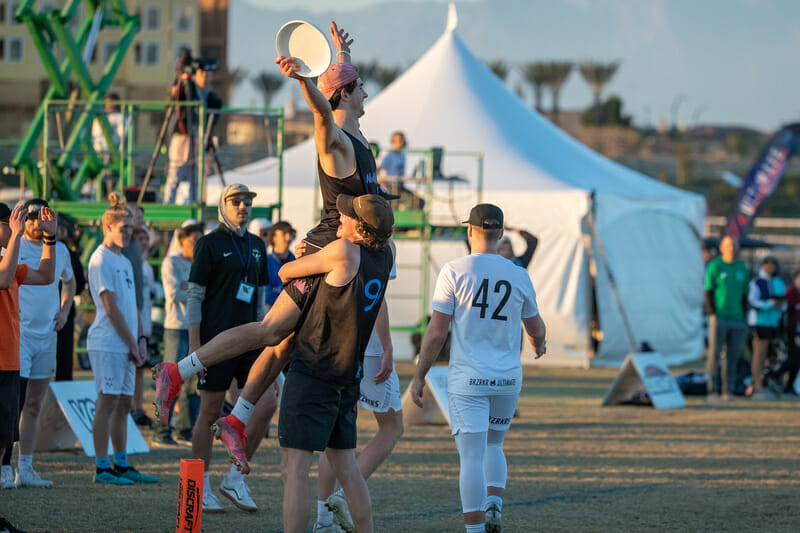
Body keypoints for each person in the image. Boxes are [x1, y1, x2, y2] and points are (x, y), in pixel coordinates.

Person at [153, 193, 395, 533]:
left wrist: (311, 255)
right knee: (347, 466)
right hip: (347, 377)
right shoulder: (385, 255)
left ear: (360, 227)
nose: (340, 219)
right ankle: (234, 415)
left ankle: (186, 375)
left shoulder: (342, 252)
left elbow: (285, 271)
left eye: (346, 217)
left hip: (314, 370)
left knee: (295, 468)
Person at [410, 203, 546, 533]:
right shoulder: (518, 272)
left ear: (470, 231)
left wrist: (419, 374)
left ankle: (474, 529)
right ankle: (494, 504)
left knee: (471, 456)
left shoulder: (455, 270)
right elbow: (537, 328)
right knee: (494, 445)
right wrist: (538, 345)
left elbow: (437, 331)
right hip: (507, 379)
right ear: (500, 233)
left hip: (468, 379)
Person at [185, 183, 274, 513]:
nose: (243, 207)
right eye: (236, 201)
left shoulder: (256, 245)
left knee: (266, 404)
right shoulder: (208, 244)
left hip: (251, 341)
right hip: (215, 342)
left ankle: (234, 480)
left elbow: (262, 300)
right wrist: (196, 349)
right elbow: (194, 296)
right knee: (208, 413)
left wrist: (266, 338)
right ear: (222, 204)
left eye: (248, 201)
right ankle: (200, 485)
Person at [86, 194, 157, 485]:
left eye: (130, 227)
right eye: (122, 227)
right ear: (107, 228)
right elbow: (111, 308)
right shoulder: (100, 259)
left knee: (125, 403)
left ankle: (122, 462)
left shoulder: (126, 260)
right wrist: (130, 341)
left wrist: (140, 340)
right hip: (108, 342)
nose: (128, 232)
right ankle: (102, 467)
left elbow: (134, 307)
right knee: (108, 401)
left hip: (127, 342)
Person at [13, 199, 75, 488]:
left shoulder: (59, 250)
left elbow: (69, 282)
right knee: (13, 403)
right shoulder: (13, 246)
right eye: (32, 216)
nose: (37, 222)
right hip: (18, 335)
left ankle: (25, 468)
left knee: (35, 404)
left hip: (47, 335)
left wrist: (63, 312)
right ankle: (5, 467)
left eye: (43, 215)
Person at [0, 203, 56, 490]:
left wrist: (49, 239)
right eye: (6, 223)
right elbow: (3, 278)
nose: (11, 227)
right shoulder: (5, 260)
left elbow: (46, 276)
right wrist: (17, 236)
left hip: (9, 360)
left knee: (4, 436)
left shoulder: (7, 257)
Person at [157, 221, 204, 445]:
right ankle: (162, 432)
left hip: (196, 329)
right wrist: (196, 291)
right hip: (176, 328)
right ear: (182, 240)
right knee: (170, 381)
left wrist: (190, 289)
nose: (196, 245)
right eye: (194, 240)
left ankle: (185, 429)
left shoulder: (202, 263)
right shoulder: (170, 262)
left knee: (194, 382)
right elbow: (173, 293)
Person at [165, 52, 222, 205]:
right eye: (202, 72)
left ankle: (194, 205)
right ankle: (168, 204)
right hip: (183, 136)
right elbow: (173, 98)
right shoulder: (186, 89)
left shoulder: (213, 98)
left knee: (196, 177)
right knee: (175, 174)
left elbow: (214, 117)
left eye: (209, 73)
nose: (205, 76)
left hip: (200, 139)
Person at [704, 236, 750, 400]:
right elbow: (708, 292)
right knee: (714, 355)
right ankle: (712, 391)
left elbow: (746, 295)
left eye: (734, 245)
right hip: (719, 317)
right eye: (728, 245)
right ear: (722, 248)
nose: (731, 248)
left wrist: (744, 316)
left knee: (733, 357)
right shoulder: (715, 266)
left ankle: (728, 391)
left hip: (737, 319)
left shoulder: (742, 268)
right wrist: (713, 314)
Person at [747, 255, 786, 400]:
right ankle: (756, 386)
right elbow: (752, 302)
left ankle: (765, 383)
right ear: (764, 265)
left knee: (770, 354)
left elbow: (782, 301)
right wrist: (769, 304)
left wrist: (780, 305)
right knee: (759, 353)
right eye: (769, 265)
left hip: (773, 322)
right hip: (759, 322)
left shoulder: (777, 282)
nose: (772, 268)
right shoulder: (757, 282)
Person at [55, 215, 86, 381]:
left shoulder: (68, 253)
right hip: (42, 313)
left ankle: (63, 391)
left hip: (65, 313)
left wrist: (66, 298)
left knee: (64, 356)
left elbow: (79, 284)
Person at [778, 269, 800, 397]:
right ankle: (772, 376)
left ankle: (790, 386)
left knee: (797, 360)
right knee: (792, 359)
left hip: (797, 331)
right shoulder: (791, 293)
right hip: (789, 332)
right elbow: (785, 315)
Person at [266, 221, 296, 308]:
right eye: (284, 234)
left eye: (290, 234)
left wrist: (277, 290)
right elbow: (266, 295)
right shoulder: (265, 261)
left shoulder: (297, 262)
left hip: (293, 315)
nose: (288, 237)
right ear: (273, 237)